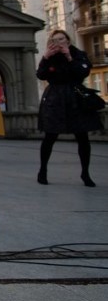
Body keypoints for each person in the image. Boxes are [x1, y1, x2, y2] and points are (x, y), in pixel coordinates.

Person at [37, 29, 102, 187]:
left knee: (82, 137)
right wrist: (45, 58)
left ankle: (85, 172)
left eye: (61, 39)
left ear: (68, 40)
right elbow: (41, 74)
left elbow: (83, 72)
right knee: (50, 136)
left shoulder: (78, 54)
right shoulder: (49, 56)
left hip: (75, 96)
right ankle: (43, 170)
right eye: (55, 40)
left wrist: (69, 57)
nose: (59, 42)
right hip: (55, 97)